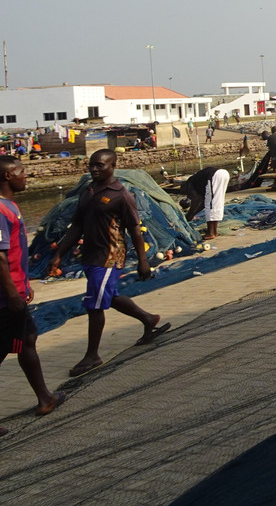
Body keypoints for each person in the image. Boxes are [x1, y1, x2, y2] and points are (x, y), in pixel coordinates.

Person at [48, 150, 168, 376]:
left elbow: (135, 230)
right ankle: (148, 318)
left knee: (94, 304)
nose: (94, 169)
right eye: (91, 165)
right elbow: (77, 227)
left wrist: (143, 261)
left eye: (100, 166)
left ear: (113, 166)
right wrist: (58, 254)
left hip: (110, 256)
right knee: (107, 295)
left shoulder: (121, 195)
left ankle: (92, 355)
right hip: (90, 255)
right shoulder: (87, 192)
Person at [0, 156, 65, 433]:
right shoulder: (1, 211)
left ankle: (44, 397)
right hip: (5, 296)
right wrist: (13, 293)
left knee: (27, 339)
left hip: (14, 289)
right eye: (20, 172)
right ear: (7, 176)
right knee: (15, 343)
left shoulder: (11, 206)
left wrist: (24, 284)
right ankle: (45, 397)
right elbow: (0, 257)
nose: (25, 176)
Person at [181, 165, 232, 240]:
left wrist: (189, 215)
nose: (188, 195)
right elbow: (203, 203)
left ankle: (210, 233)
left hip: (214, 176)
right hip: (224, 173)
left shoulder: (189, 185)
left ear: (184, 188)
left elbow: (196, 201)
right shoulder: (198, 184)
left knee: (211, 205)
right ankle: (214, 232)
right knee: (216, 203)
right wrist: (192, 214)